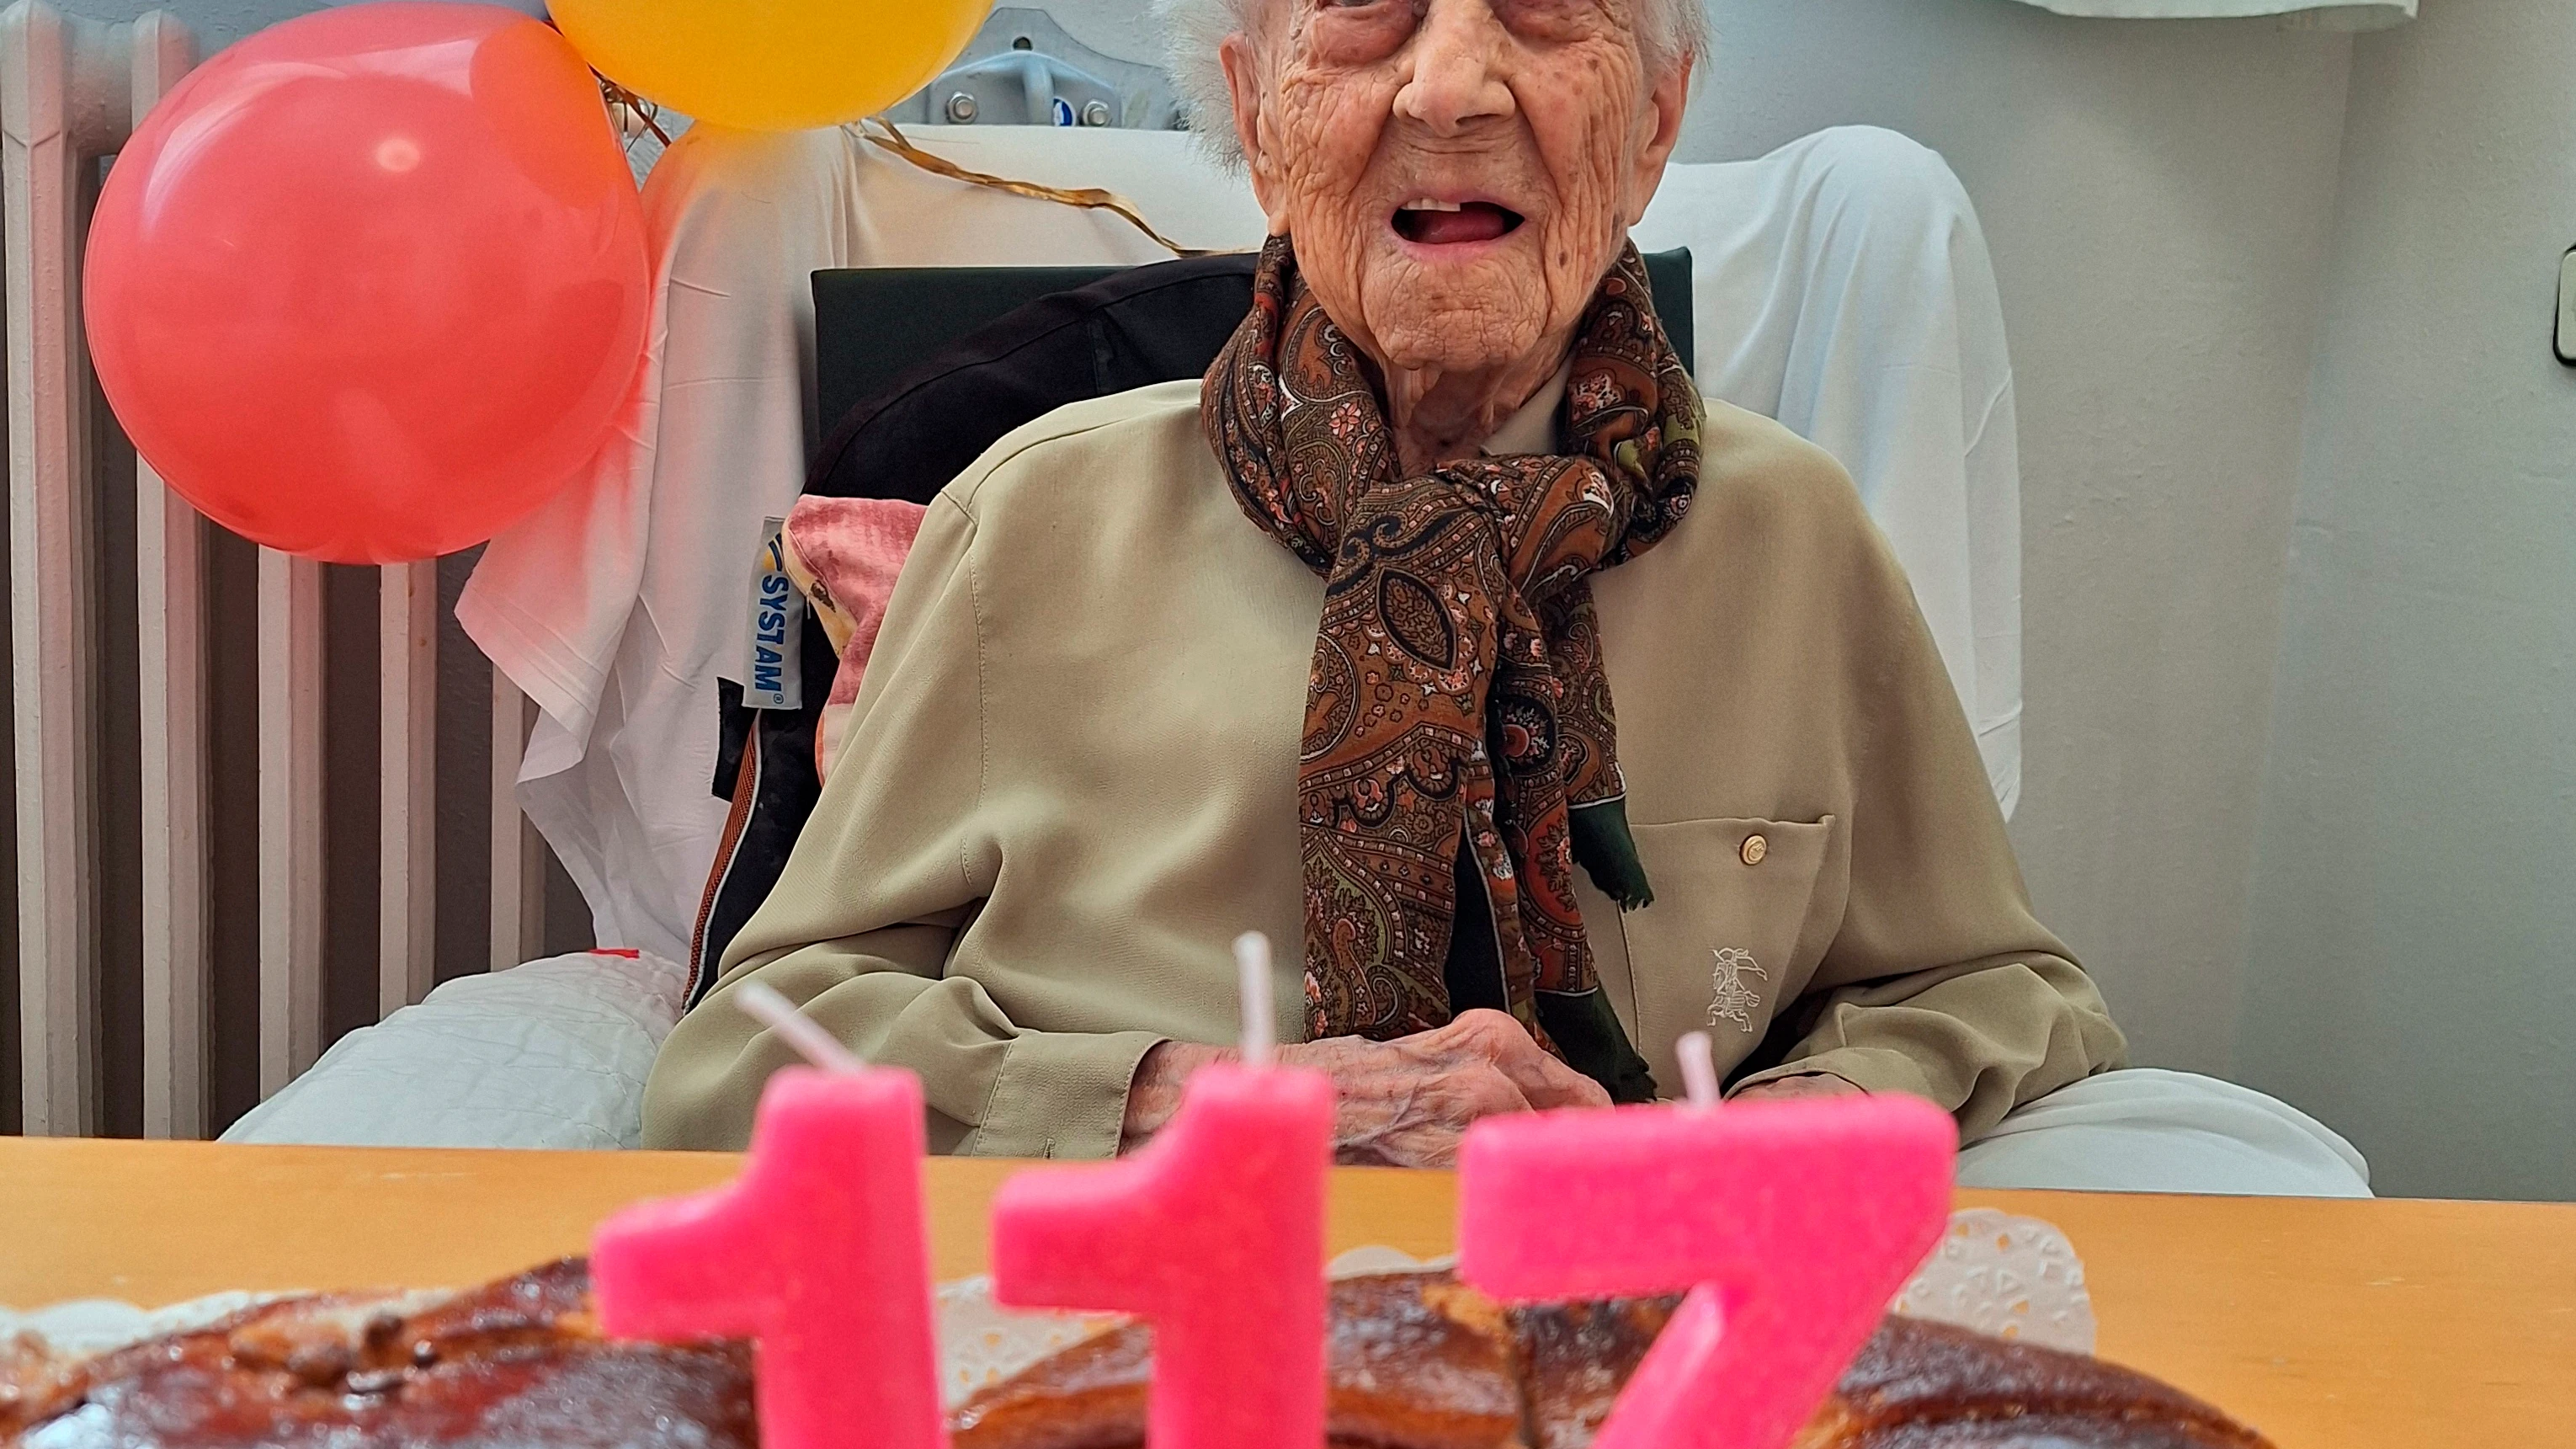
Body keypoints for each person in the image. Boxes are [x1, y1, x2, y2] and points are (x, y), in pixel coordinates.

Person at [640, 0, 2132, 1167]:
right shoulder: (1027, 522)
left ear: (1659, 116)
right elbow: (753, 1054)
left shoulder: (1797, 542)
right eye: (1367, 14)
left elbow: (2000, 989)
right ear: (1250, 109)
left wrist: (1772, 1129)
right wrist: (1191, 1105)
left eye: (1546, 14)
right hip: (1143, 1330)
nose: (1451, 88)